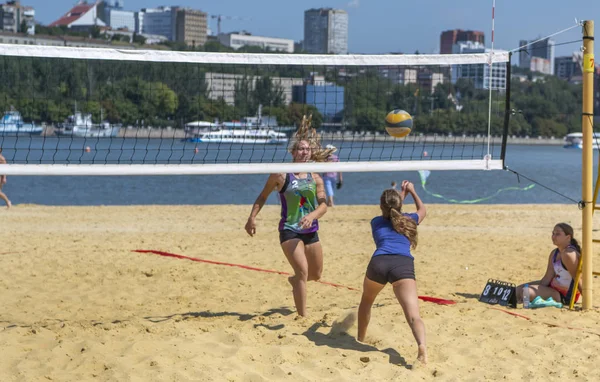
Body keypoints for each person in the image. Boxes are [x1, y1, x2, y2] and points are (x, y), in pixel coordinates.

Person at [245, 116, 329, 317]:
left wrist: (312, 216)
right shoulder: (280, 175)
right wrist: (252, 217)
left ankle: (295, 281)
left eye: (307, 149)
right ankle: (302, 317)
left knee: (315, 274)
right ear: (292, 152)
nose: (304, 152)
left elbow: (324, 205)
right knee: (302, 271)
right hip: (289, 229)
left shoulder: (315, 177)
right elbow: (263, 196)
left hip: (310, 230)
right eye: (300, 149)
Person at [357, 180, 428, 364]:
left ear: (381, 206)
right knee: (413, 316)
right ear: (400, 205)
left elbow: (391, 212)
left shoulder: (376, 222)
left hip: (379, 262)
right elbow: (423, 210)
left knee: (366, 302)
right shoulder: (410, 220)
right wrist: (412, 191)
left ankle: (360, 339)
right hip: (402, 265)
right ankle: (421, 346)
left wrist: (398, 196)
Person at [516, 223, 582, 306]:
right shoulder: (554, 253)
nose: (553, 236)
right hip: (553, 287)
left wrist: (586, 302)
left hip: (563, 295)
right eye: (553, 233)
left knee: (526, 292)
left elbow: (578, 278)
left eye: (557, 234)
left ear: (568, 237)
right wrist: (540, 289)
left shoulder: (569, 254)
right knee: (517, 290)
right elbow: (547, 278)